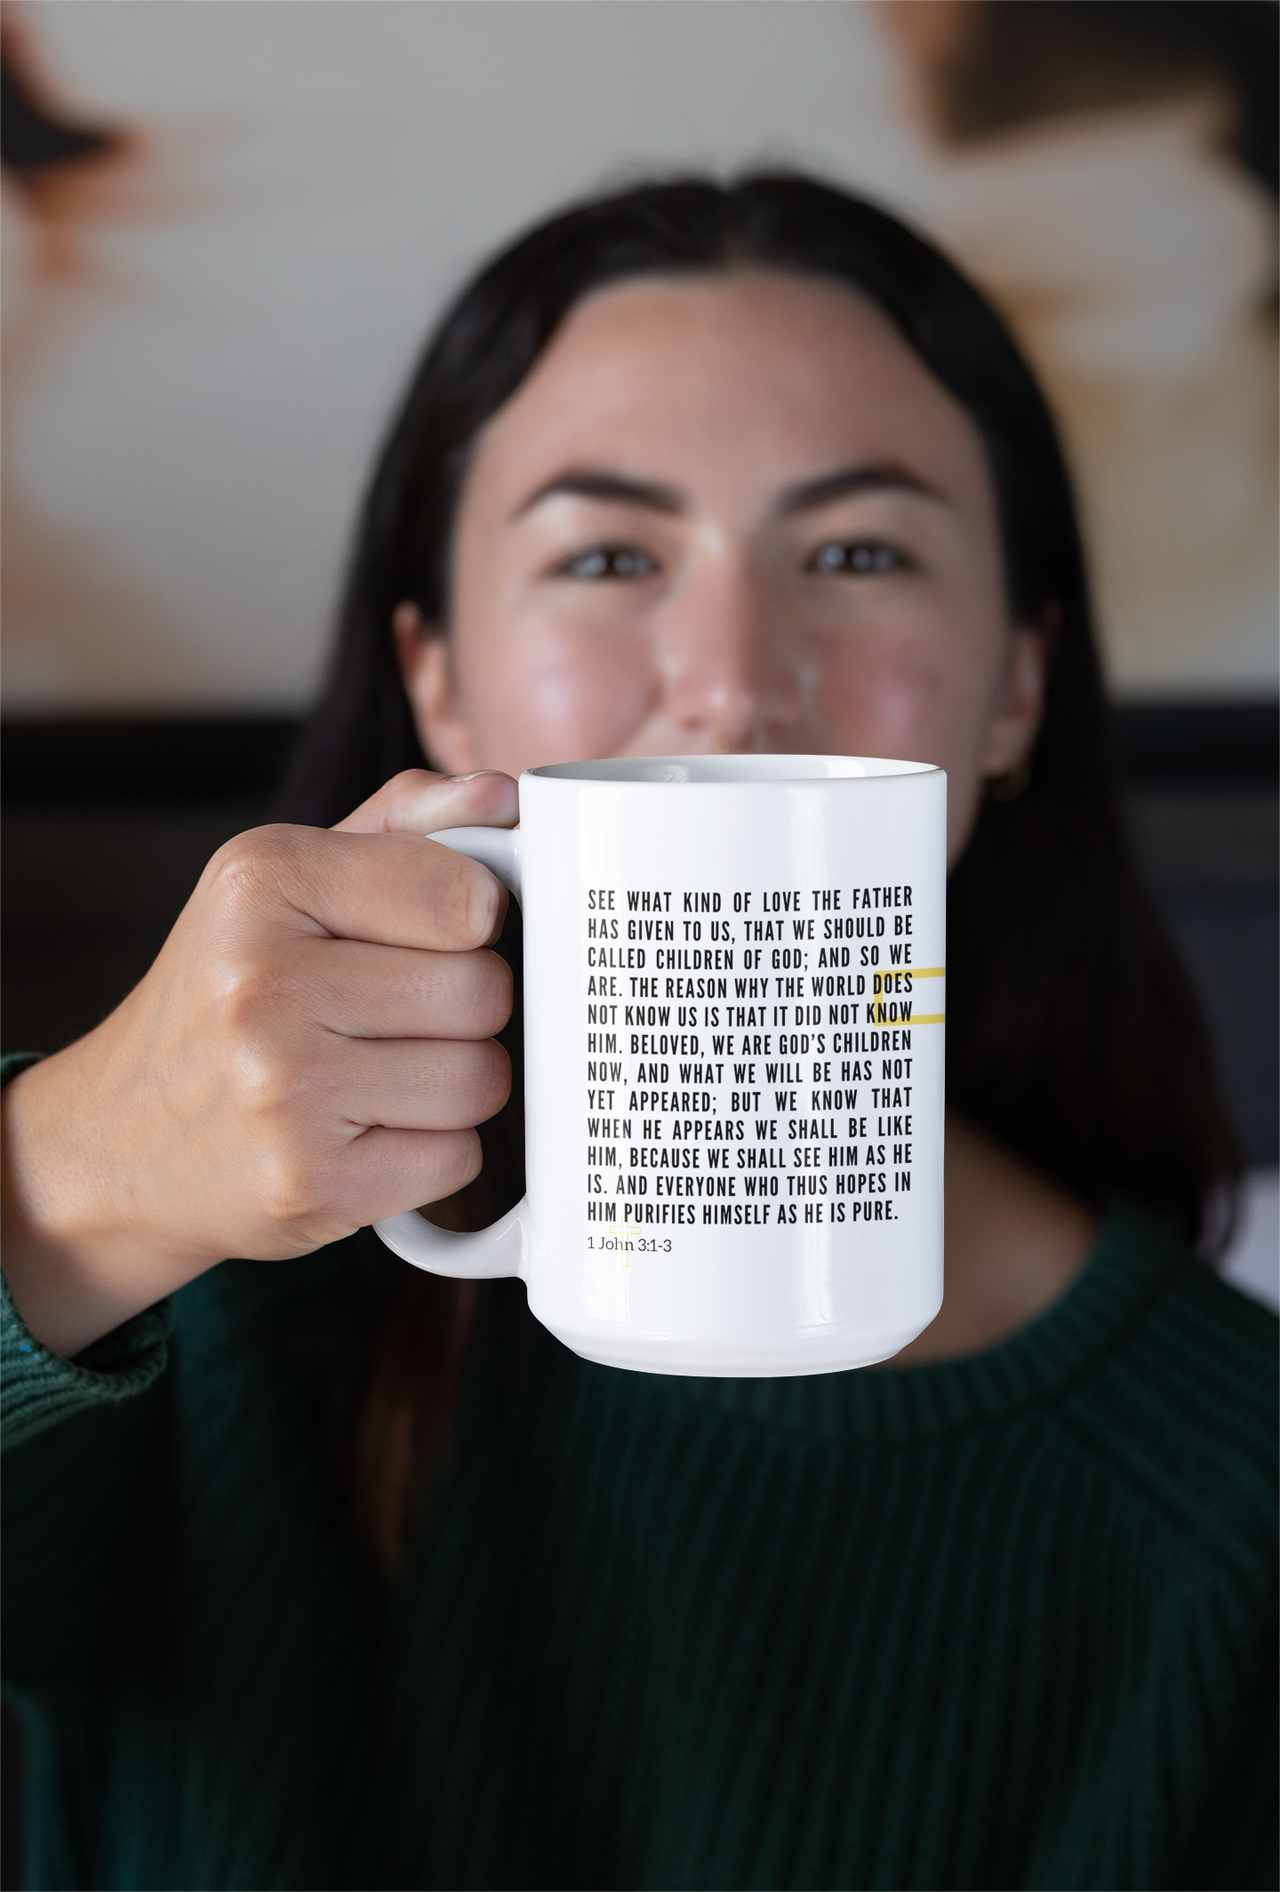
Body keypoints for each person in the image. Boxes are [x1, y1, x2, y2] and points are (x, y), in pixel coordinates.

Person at [0, 172, 1276, 1890]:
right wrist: (74, 1182)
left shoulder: (1230, 1496)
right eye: (608, 554)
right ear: (437, 680)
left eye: (858, 551)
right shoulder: (187, 1311)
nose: (735, 683)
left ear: (1016, 686)